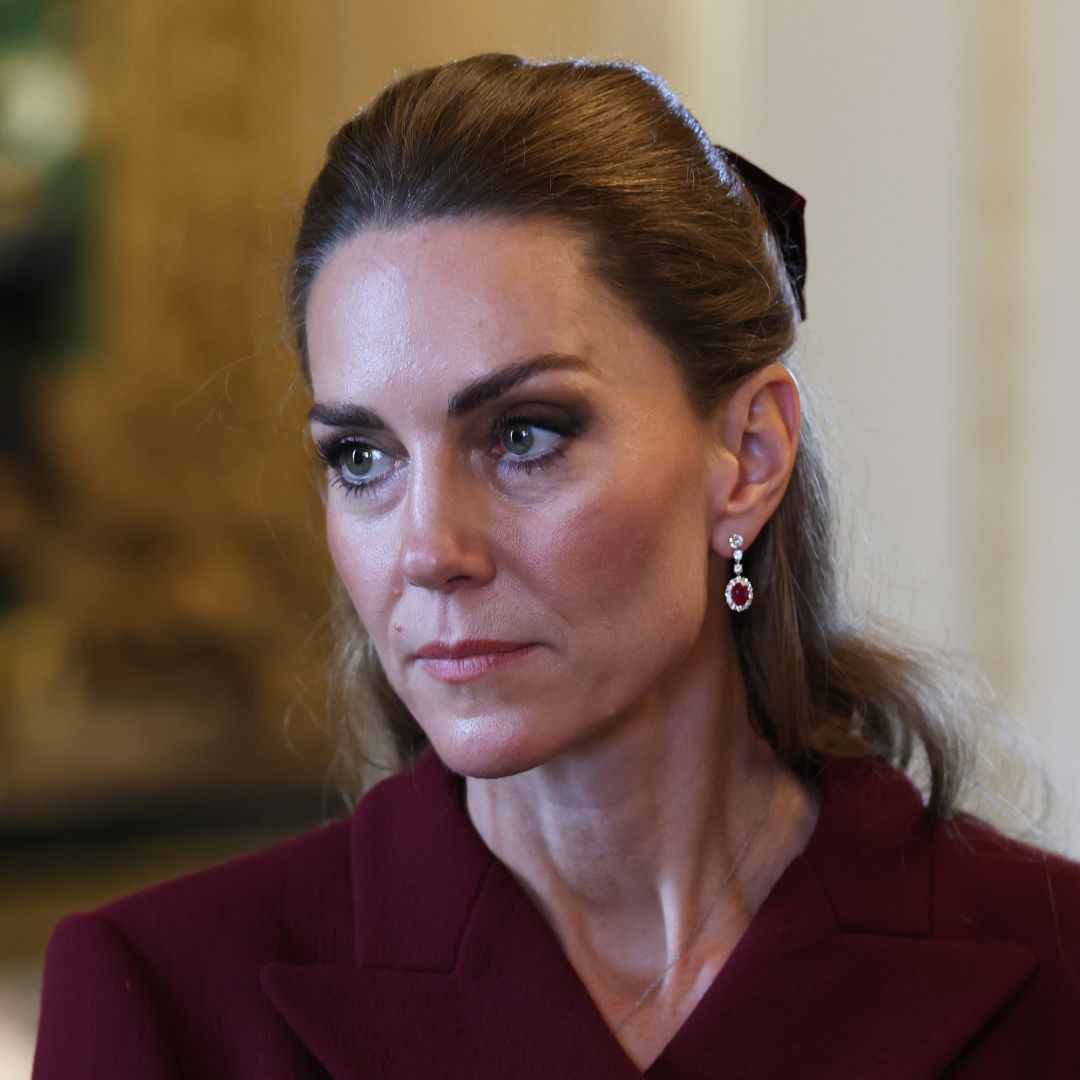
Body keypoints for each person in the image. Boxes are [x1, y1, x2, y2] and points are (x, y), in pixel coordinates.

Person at [33, 53, 1080, 1078]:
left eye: (526, 434)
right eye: (363, 458)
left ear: (748, 459)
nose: (430, 550)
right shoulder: (162, 1001)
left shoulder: (1058, 974)